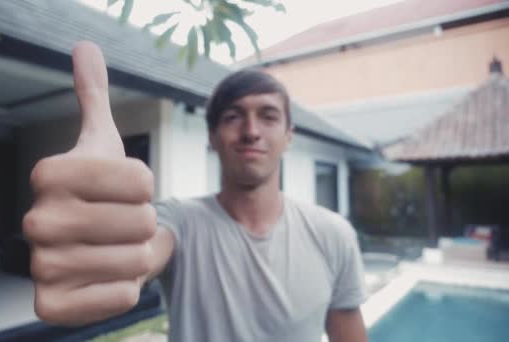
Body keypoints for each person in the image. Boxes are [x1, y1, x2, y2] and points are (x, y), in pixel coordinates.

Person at [23, 41, 368, 342]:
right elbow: (143, 252)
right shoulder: (180, 222)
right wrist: (95, 243)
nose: (251, 131)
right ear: (212, 137)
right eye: (233, 116)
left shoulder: (334, 235)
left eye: (268, 116)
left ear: (289, 135)